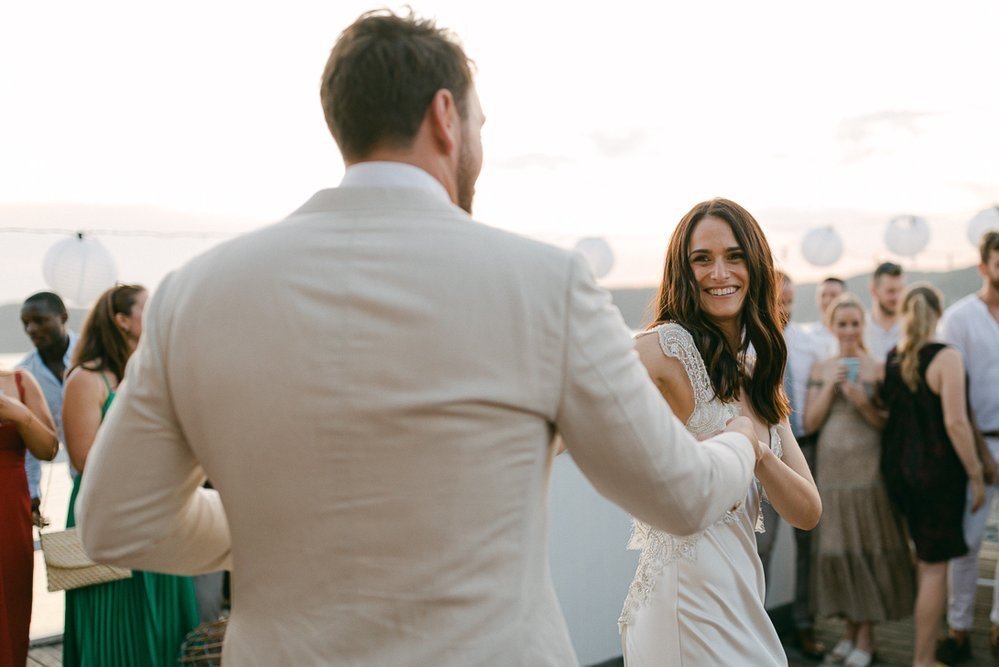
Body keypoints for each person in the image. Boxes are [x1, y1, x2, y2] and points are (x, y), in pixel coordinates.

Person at [74, 11, 759, 665]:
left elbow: (116, 522)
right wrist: (738, 440)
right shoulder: (544, 283)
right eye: (480, 123)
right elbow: (678, 494)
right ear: (444, 116)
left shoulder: (195, 292)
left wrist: (277, 524)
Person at [619, 198, 821, 665]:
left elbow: (808, 511)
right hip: (683, 603)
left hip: (740, 595)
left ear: (755, 265)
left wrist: (758, 453)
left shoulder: (757, 371)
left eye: (734, 256)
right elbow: (577, 394)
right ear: (682, 272)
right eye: (701, 259)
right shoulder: (667, 347)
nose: (719, 273)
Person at [62, 284, 199, 666]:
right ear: (122, 321)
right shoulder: (87, 380)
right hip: (109, 513)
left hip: (161, 510)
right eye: (148, 309)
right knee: (112, 628)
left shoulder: (156, 373)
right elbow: (84, 460)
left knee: (166, 624)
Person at [805, 294, 915, 667]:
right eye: (842, 323)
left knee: (867, 549)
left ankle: (866, 637)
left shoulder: (878, 369)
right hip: (832, 473)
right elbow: (810, 422)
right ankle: (850, 632)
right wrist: (832, 390)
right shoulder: (821, 368)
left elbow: (887, 423)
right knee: (840, 550)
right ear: (832, 327)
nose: (849, 330)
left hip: (868, 472)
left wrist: (860, 400)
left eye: (855, 323)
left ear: (862, 326)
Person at [880, 283, 986, 667]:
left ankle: (926, 650)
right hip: (937, 477)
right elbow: (956, 424)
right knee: (934, 569)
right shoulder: (947, 358)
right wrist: (975, 474)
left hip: (899, 473)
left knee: (925, 563)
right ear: (938, 314)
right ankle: (924, 659)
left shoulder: (893, 357)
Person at [935, 230, 999, 664]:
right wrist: (982, 456)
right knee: (967, 542)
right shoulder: (958, 319)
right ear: (983, 266)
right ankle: (959, 628)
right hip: (975, 444)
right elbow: (953, 395)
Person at [755, 270, 826, 660]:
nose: (785, 308)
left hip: (808, 448)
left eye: (790, 300)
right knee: (760, 545)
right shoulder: (750, 343)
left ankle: (805, 624)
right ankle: (754, 626)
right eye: (778, 300)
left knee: (809, 545)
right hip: (766, 456)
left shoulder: (811, 342)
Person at [0, 367, 57, 667]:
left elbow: (48, 448)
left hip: (8, 516)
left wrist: (19, 414)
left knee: (11, 607)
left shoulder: (18, 381)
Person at [17, 291, 78, 525]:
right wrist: (32, 493)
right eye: (26, 323)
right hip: (79, 478)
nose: (31, 329)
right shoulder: (25, 374)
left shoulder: (95, 352)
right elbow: (29, 442)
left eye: (39, 321)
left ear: (62, 316)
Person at [866, 261, 905, 362]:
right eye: (890, 291)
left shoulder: (912, 328)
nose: (897, 297)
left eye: (900, 290)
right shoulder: (860, 330)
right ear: (873, 291)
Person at [808, 277, 845, 359]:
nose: (827, 300)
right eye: (823, 295)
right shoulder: (810, 336)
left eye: (833, 295)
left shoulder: (854, 332)